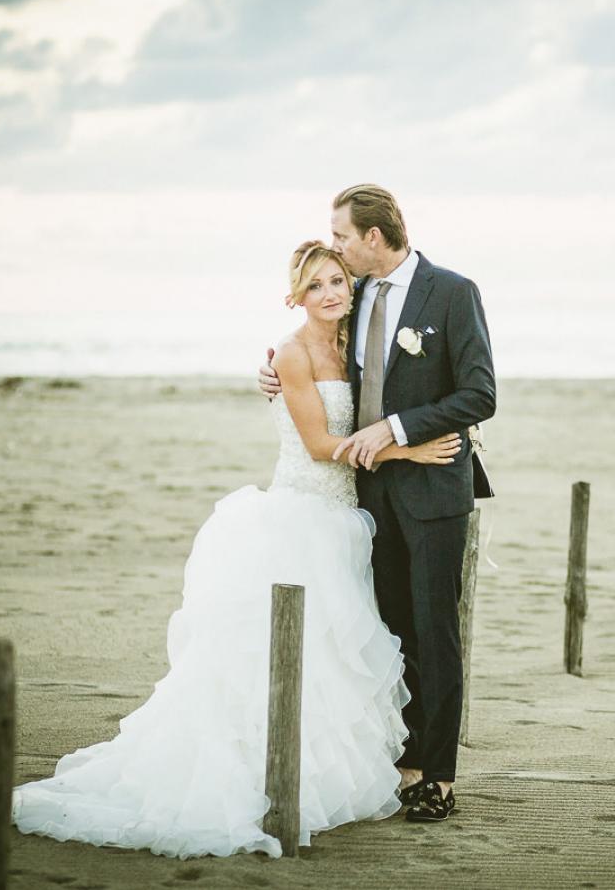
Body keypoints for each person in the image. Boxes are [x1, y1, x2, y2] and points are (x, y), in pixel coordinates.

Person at [0, 241, 464, 859]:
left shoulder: (349, 342)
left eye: (338, 281)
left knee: (335, 656)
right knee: (270, 657)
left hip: (346, 520)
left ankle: (328, 772)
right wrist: (407, 450)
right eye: (316, 287)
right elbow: (317, 444)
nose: (331, 293)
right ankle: (263, 776)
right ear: (293, 297)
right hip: (301, 515)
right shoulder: (292, 352)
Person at [258, 184, 496, 822]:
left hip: (432, 486)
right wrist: (272, 370)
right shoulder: (353, 293)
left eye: (340, 236)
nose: (334, 247)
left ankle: (438, 777)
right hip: (364, 495)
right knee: (388, 632)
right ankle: (404, 759)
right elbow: (321, 351)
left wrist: (397, 431)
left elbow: (479, 396)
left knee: (435, 629)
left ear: (372, 236)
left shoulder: (452, 293)